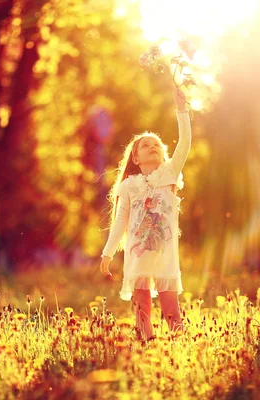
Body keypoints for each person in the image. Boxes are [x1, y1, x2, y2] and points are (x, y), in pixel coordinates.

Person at [100, 87, 191, 341]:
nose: (152, 147)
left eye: (156, 145)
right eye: (145, 145)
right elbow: (120, 221)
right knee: (142, 304)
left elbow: (184, 143)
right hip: (137, 253)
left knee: (170, 307)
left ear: (163, 154)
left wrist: (181, 109)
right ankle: (146, 343)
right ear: (136, 159)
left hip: (165, 255)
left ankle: (180, 345)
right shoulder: (129, 185)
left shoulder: (170, 175)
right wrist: (108, 252)